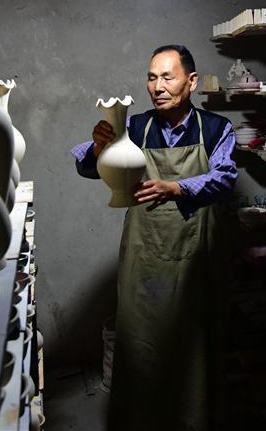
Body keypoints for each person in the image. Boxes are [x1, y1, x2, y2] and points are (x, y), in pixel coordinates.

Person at [70, 45, 237, 430]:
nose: (157, 86)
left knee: (193, 341)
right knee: (141, 343)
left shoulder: (215, 129)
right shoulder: (136, 127)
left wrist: (177, 188)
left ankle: (193, 419)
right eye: (151, 78)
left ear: (191, 82)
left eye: (167, 77)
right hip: (145, 256)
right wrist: (99, 147)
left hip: (195, 253)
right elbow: (86, 166)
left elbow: (225, 178)